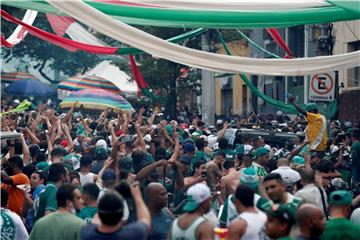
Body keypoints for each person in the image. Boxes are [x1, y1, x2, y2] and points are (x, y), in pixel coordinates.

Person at [80, 182, 151, 239]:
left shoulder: (87, 232)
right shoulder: (134, 234)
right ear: (122, 215)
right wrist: (137, 196)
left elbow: (94, 221)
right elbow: (145, 219)